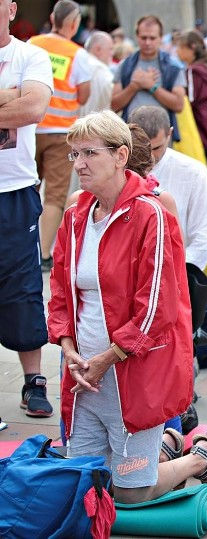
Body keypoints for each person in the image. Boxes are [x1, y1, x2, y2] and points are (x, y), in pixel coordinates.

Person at [48, 110, 207, 504]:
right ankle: (164, 445)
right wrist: (67, 348)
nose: (78, 163)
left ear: (120, 156)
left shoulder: (152, 215)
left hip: (135, 374)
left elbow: (158, 309)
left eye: (88, 153)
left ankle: (198, 457)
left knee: (130, 493)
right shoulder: (76, 216)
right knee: (83, 486)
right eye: (74, 154)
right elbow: (61, 290)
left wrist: (106, 358)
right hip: (83, 373)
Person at [0, 0, 54, 418]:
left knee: (22, 288)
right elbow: (21, 105)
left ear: (11, 9)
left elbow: (35, 107)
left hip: (14, 192)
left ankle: (33, 381)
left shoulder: (29, 54)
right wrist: (8, 99)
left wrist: (21, 99)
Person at [28, 0, 92, 272]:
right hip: (60, 132)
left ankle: (19, 244)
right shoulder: (78, 54)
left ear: (52, 17)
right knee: (54, 194)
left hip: (28, 128)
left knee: (25, 187)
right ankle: (42, 254)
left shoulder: (32, 44)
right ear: (74, 25)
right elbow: (84, 94)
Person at [128, 106, 207, 272]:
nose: (150, 156)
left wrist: (175, 275)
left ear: (170, 134)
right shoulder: (114, 170)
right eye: (142, 147)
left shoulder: (194, 172)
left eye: (156, 148)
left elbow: (204, 238)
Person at [111, 16, 186, 139]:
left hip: (162, 137)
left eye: (152, 38)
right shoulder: (125, 65)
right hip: (131, 136)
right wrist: (134, 86)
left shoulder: (173, 67)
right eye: (143, 38)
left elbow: (178, 105)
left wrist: (152, 86)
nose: (147, 42)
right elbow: (114, 105)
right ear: (137, 37)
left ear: (161, 38)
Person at [174, 30, 207, 165]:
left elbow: (189, 100)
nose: (177, 51)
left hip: (199, 123)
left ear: (192, 48)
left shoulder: (193, 71)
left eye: (181, 47)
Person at [79, 31, 114, 116]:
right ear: (98, 49)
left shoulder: (76, 64)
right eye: (110, 49)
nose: (112, 53)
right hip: (96, 126)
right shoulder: (105, 73)